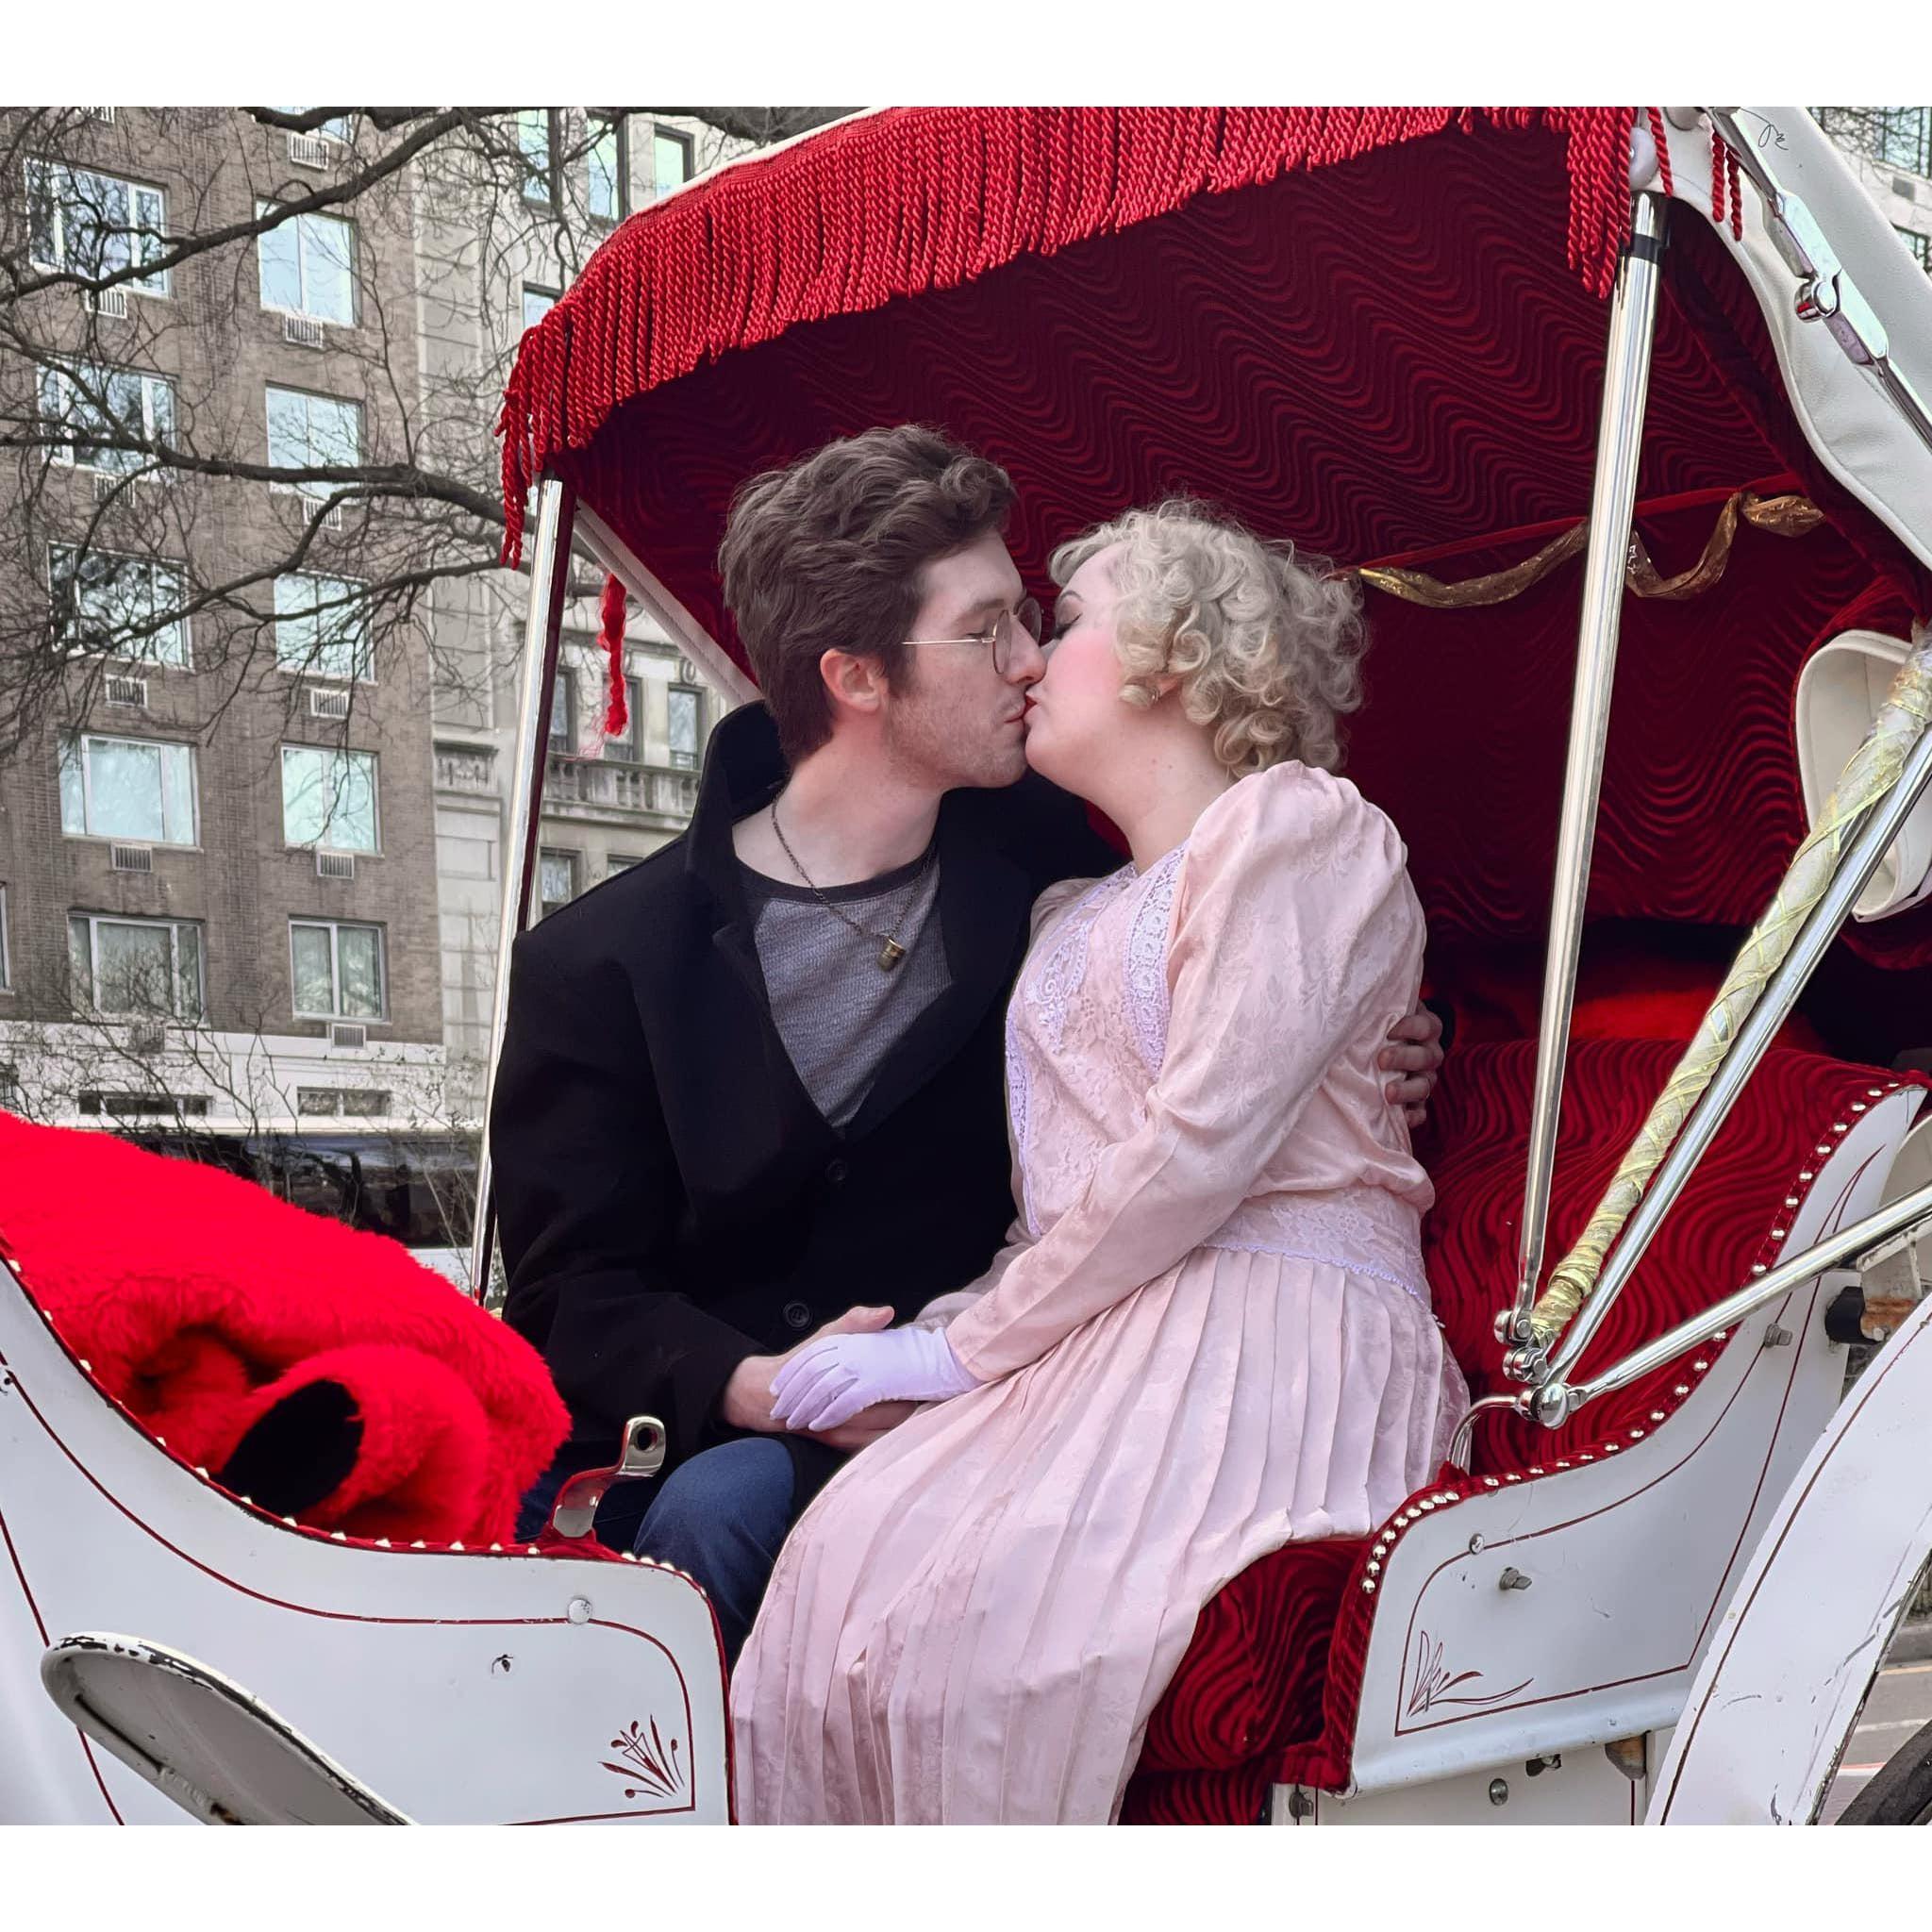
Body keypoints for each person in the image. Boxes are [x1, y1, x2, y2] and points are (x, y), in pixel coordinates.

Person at [491, 429, 1444, 1665]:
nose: (1029, 659)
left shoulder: (1057, 860)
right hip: (752, 1425)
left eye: (1037, 622)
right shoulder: (601, 960)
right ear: (861, 678)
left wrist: (1397, 1036)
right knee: (711, 1508)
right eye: (988, 629)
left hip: (1026, 1384)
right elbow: (572, 1299)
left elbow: (1249, 968)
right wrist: (754, 1382)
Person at [731, 503, 1471, 1824]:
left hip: (1268, 1321)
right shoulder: (1069, 909)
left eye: (1061, 625)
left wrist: (956, 1353)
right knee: (838, 1567)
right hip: (1102, 1327)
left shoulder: (1300, 829)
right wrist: (953, 1334)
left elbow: (1203, 1143)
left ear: (1173, 658)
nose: (1027, 658)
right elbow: (1060, 1202)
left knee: (999, 1634)